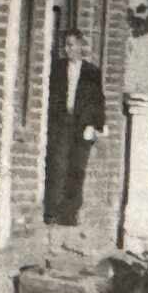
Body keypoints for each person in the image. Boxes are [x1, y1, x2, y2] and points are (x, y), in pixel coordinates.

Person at [43, 30, 106, 225]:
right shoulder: (57, 68)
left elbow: (98, 100)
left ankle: (69, 214)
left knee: (77, 168)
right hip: (62, 124)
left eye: (71, 45)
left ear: (80, 46)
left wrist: (96, 126)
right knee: (58, 166)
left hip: (82, 126)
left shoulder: (91, 71)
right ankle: (52, 212)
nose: (67, 49)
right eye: (65, 46)